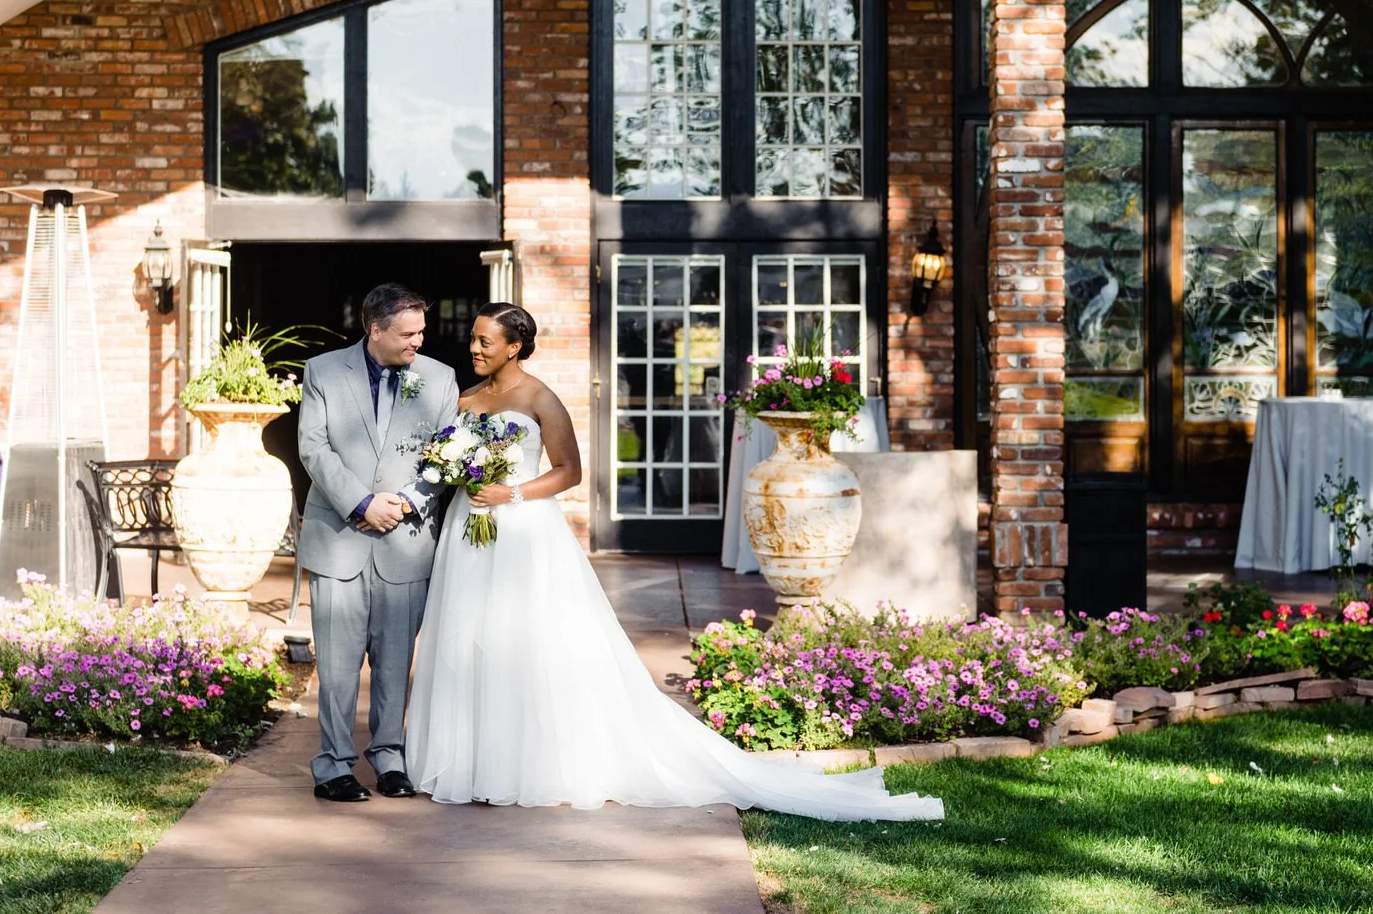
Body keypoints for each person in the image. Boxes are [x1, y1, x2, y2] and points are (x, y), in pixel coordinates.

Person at [405, 302, 942, 821]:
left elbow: (570, 472)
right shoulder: (466, 398)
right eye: (474, 339)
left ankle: (528, 764)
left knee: (528, 639)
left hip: (522, 532)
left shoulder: (541, 398)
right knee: (468, 637)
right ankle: (471, 761)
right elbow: (442, 460)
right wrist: (459, 476)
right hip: (468, 533)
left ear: (515, 346)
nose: (473, 348)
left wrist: (512, 494)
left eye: (484, 341)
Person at [297, 283, 460, 802]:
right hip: (339, 538)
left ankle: (390, 758)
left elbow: (447, 454)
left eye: (421, 331)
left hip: (405, 541)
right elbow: (314, 448)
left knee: (395, 663)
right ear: (375, 329)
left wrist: (406, 501)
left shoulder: (440, 378)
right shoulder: (323, 372)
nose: (419, 340)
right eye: (408, 333)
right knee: (338, 665)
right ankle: (334, 766)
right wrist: (362, 503)